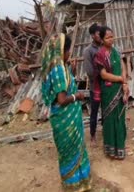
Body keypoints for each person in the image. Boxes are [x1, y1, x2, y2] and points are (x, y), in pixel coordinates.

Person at [41, 34, 91, 192]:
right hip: (65, 118)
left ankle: (76, 182)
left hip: (64, 118)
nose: (69, 54)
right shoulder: (58, 70)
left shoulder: (57, 67)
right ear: (61, 50)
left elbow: (64, 86)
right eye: (68, 50)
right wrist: (78, 96)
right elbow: (62, 99)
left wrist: (72, 70)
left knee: (71, 151)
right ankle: (75, 185)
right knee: (72, 151)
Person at [94, 26, 129, 160]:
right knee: (110, 119)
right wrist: (120, 79)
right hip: (108, 92)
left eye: (112, 37)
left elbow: (122, 67)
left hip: (119, 89)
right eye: (108, 37)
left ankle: (120, 147)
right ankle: (110, 149)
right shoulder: (100, 54)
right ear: (102, 39)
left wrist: (124, 82)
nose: (111, 39)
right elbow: (103, 75)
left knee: (120, 117)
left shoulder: (116, 51)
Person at [83, 23, 102, 146]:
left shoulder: (104, 47)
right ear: (92, 35)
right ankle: (93, 135)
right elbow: (89, 72)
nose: (100, 35)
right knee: (94, 111)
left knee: (107, 109)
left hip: (106, 85)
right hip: (95, 86)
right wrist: (103, 73)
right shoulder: (88, 51)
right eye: (98, 33)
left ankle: (107, 130)